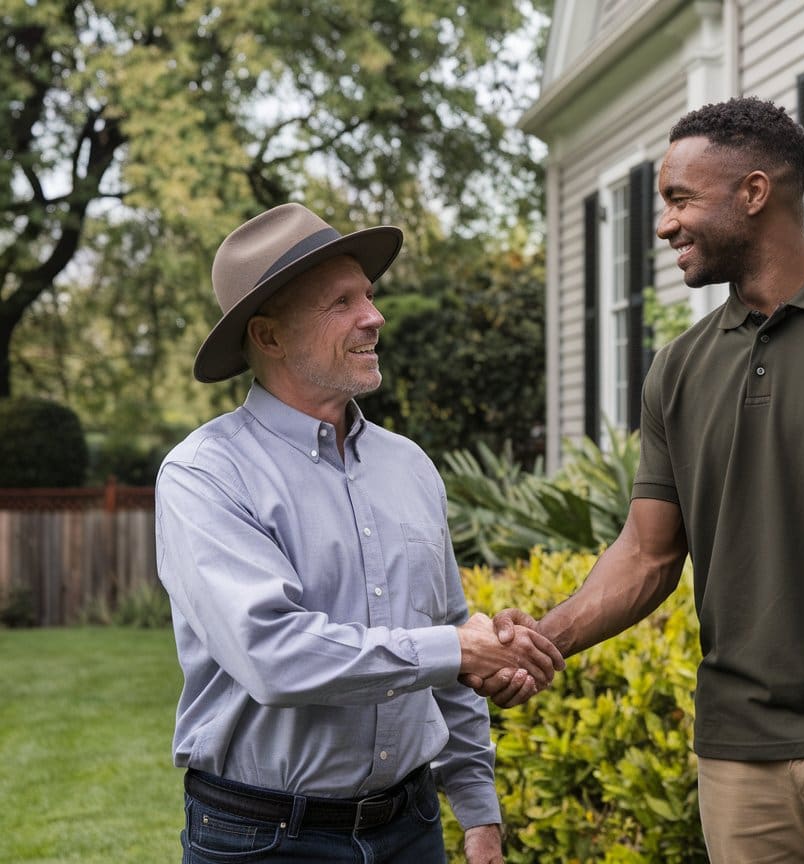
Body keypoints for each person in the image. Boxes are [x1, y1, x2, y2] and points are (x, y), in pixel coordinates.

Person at [466, 96, 804, 864]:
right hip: (736, 753)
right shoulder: (677, 370)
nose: (665, 224)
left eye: (681, 199)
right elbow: (648, 554)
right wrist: (542, 642)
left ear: (754, 193)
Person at [155, 202, 564, 864]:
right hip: (265, 841)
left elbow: (447, 630)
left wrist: (478, 811)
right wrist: (459, 650)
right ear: (269, 336)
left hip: (412, 828)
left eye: (369, 295)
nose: (374, 317)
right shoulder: (206, 476)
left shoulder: (409, 467)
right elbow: (275, 654)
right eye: (340, 302)